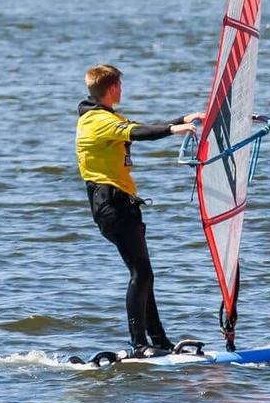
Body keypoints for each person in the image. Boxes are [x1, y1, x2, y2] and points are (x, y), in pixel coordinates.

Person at [76, 63, 204, 357]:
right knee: (141, 273)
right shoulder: (98, 121)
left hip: (120, 204)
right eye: (119, 85)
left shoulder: (103, 116)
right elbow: (139, 133)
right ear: (111, 89)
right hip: (111, 205)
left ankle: (157, 340)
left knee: (144, 274)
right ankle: (139, 343)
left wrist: (183, 119)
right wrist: (173, 130)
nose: (122, 89)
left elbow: (140, 127)